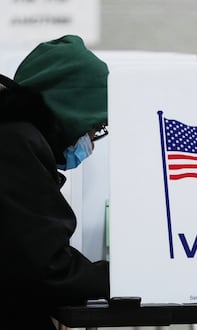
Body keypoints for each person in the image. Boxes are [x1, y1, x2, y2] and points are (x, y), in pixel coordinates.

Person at [0, 35, 110, 330]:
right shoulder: (16, 144)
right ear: (71, 109)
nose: (92, 142)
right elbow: (48, 270)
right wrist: (120, 277)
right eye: (94, 128)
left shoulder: (13, 134)